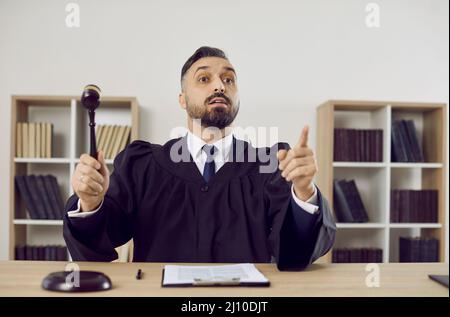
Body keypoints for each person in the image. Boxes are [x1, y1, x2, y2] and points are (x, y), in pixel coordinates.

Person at [63, 46, 336, 270]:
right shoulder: (143, 165)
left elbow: (294, 255)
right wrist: (90, 202)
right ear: (182, 99)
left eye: (228, 79)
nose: (219, 85)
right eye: (204, 79)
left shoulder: (270, 165)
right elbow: (100, 246)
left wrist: (303, 191)